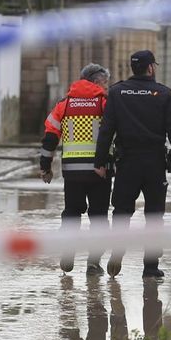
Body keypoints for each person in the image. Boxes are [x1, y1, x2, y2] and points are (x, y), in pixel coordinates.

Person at [93, 50, 171, 278]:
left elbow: (107, 130)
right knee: (154, 216)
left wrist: (100, 162)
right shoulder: (163, 94)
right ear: (151, 68)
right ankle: (150, 267)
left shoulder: (117, 92)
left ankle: (118, 250)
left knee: (122, 211)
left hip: (126, 162)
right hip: (154, 164)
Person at [40, 64, 113, 275]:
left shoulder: (64, 104)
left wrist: (45, 167)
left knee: (71, 212)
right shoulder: (105, 103)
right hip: (100, 170)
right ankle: (93, 262)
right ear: (96, 82)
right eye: (105, 83)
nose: (106, 87)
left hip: (72, 172)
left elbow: (50, 138)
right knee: (98, 216)